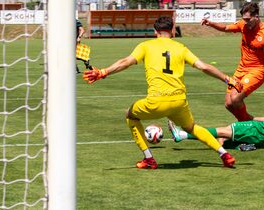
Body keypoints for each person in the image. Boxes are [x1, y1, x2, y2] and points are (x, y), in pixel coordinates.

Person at [83, 16, 236, 169]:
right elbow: (204, 67)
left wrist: (103, 72)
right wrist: (227, 79)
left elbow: (125, 62)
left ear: (155, 31)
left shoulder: (146, 46)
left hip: (156, 102)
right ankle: (224, 154)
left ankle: (149, 158)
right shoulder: (181, 47)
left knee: (130, 115)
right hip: (179, 102)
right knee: (191, 128)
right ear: (172, 30)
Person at [200, 2, 264, 121]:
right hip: (241, 70)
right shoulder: (243, 25)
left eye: (248, 19)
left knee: (236, 98)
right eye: (244, 19)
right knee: (228, 103)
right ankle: (254, 122)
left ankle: (246, 128)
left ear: (256, 17)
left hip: (257, 71)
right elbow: (226, 28)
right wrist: (211, 24)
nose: (246, 22)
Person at [168, 76, 264, 150]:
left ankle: (182, 134)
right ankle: (243, 146)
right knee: (224, 140)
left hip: (262, 130)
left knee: (223, 131)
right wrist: (253, 118)